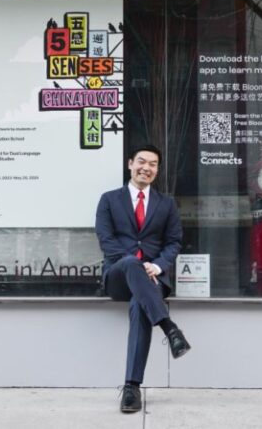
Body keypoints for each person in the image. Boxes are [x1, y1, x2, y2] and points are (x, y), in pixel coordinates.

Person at [95, 144, 191, 413]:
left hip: (151, 280)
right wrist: (138, 264)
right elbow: (107, 241)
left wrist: (158, 267)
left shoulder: (166, 204)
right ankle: (170, 329)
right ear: (130, 164)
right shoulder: (109, 199)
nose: (146, 168)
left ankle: (131, 388)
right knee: (128, 262)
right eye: (141, 161)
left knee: (140, 304)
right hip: (117, 275)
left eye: (152, 164)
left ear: (157, 170)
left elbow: (173, 242)